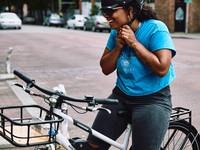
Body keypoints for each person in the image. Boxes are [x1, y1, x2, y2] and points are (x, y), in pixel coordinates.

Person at [87, 0, 176, 150]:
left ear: (131, 10)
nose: (107, 16)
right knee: (93, 145)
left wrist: (134, 43)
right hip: (121, 95)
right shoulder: (116, 31)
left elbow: (162, 69)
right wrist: (118, 47)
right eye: (104, 12)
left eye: (111, 11)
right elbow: (105, 68)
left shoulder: (156, 28)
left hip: (152, 100)